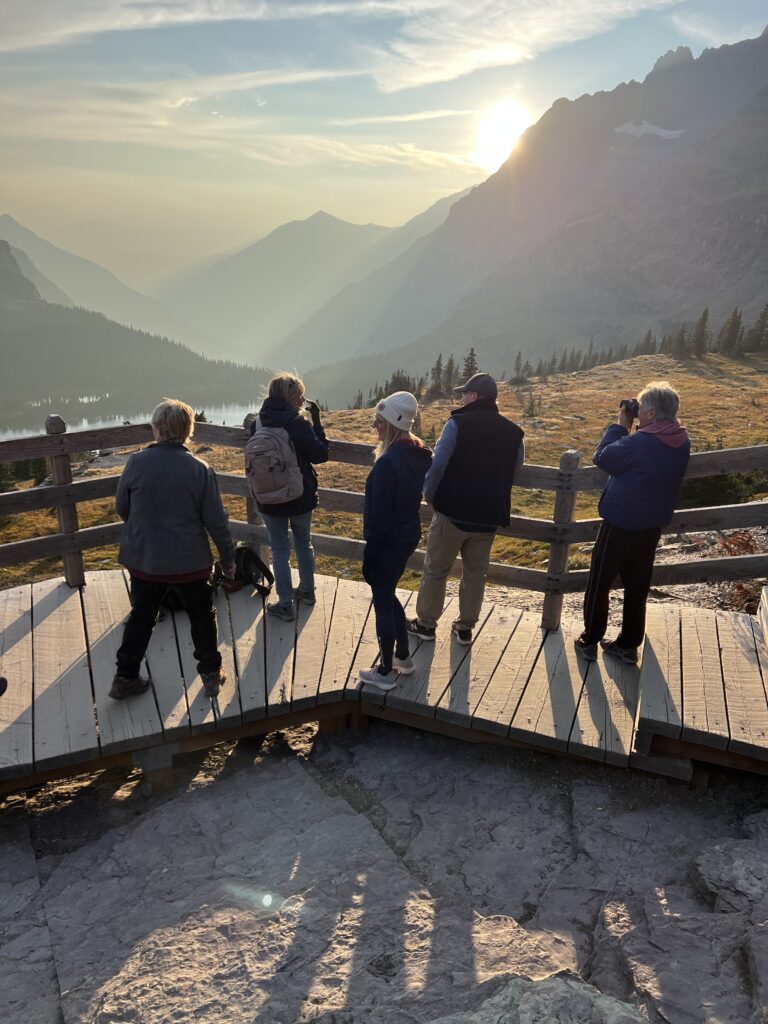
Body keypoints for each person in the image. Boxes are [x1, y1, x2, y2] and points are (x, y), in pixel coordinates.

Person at [112, 398, 236, 700]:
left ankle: (125, 677)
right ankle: (210, 674)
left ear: (156, 429)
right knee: (202, 616)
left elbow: (122, 508)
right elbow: (216, 521)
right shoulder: (200, 469)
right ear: (187, 431)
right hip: (189, 561)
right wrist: (228, 558)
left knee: (141, 616)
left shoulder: (136, 462)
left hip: (145, 559)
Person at [575, 380, 691, 665]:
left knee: (600, 580)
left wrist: (620, 425)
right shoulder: (680, 440)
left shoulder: (640, 442)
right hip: (651, 524)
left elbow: (603, 457)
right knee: (637, 584)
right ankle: (627, 645)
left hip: (621, 522)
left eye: (643, 409)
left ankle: (590, 639)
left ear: (650, 412)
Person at [408, 372, 524, 646]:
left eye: (464, 393)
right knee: (475, 573)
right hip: (488, 517)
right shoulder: (513, 431)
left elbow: (438, 464)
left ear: (475, 396)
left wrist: (429, 494)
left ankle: (426, 624)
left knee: (436, 569)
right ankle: (464, 627)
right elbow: (516, 467)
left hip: (452, 512)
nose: (461, 397)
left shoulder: (457, 423)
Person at [360, 392, 433, 691]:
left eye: (379, 421)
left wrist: (371, 554)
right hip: (406, 534)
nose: (375, 426)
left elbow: (378, 518)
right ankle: (403, 656)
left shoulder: (388, 463)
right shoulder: (417, 454)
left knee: (382, 600)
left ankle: (386, 671)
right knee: (388, 593)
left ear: (391, 424)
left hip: (388, 539)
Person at [251, 372, 329, 621]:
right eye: (300, 395)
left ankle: (285, 605)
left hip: (268, 498)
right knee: (303, 543)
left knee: (279, 549)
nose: (303, 399)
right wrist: (317, 422)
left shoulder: (258, 423)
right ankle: (306, 591)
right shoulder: (298, 424)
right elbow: (320, 455)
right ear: (292, 398)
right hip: (300, 495)